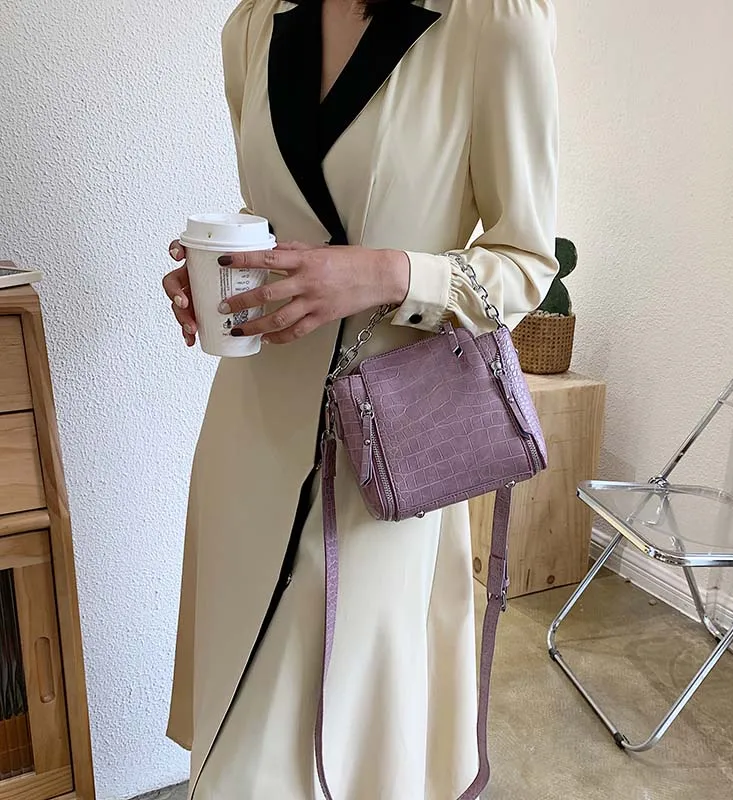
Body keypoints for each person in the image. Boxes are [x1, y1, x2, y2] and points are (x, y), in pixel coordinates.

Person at [161, 0, 558, 796]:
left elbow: (525, 265)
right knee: (240, 739)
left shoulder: (492, 22)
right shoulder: (253, 26)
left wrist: (384, 273)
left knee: (330, 750)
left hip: (383, 455)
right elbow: (277, 212)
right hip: (251, 433)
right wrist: (220, 272)